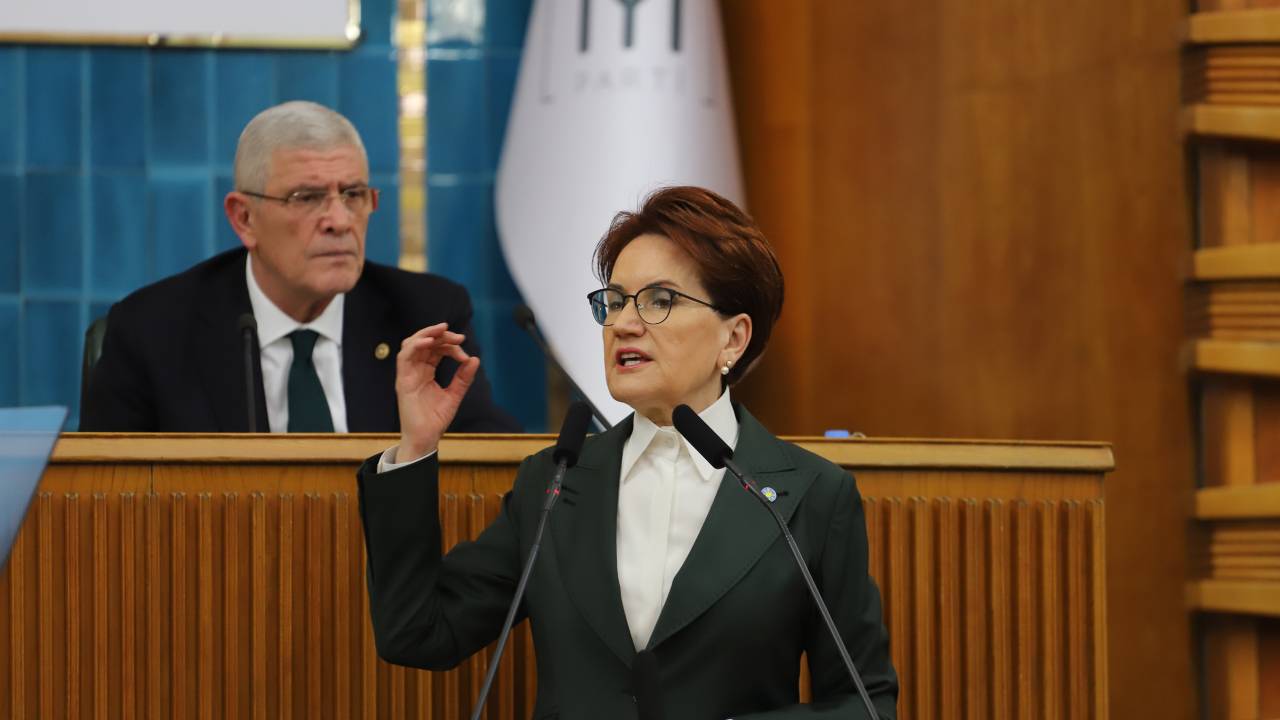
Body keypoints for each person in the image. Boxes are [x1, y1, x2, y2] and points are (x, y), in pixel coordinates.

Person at [358, 186, 898, 718]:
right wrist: (416, 445)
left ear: (733, 339)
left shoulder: (810, 495)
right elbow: (419, 633)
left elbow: (865, 702)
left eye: (660, 300)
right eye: (614, 301)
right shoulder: (554, 481)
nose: (623, 324)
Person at [81, 101, 517, 434]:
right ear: (244, 218)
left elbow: (487, 472)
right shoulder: (153, 331)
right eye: (306, 198)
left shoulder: (425, 317)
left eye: (353, 194)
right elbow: (108, 501)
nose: (339, 221)